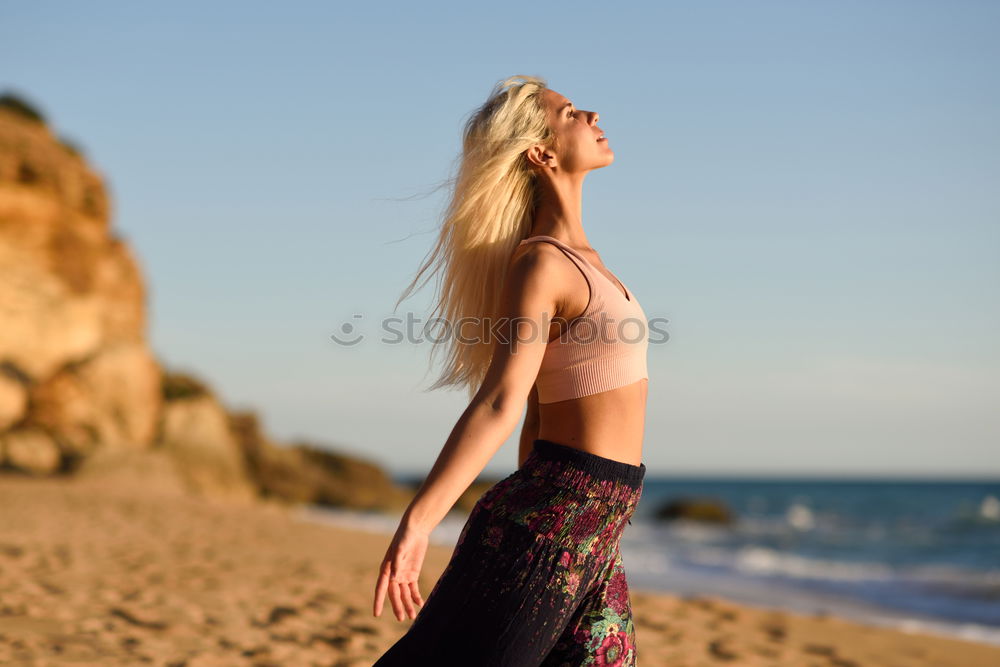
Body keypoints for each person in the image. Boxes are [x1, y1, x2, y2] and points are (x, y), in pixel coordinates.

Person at [372, 74, 650, 666]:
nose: (593, 113)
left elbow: (540, 416)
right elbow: (502, 400)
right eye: (571, 111)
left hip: (595, 527)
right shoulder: (542, 265)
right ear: (541, 152)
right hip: (555, 519)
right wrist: (419, 523)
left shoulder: (587, 263)